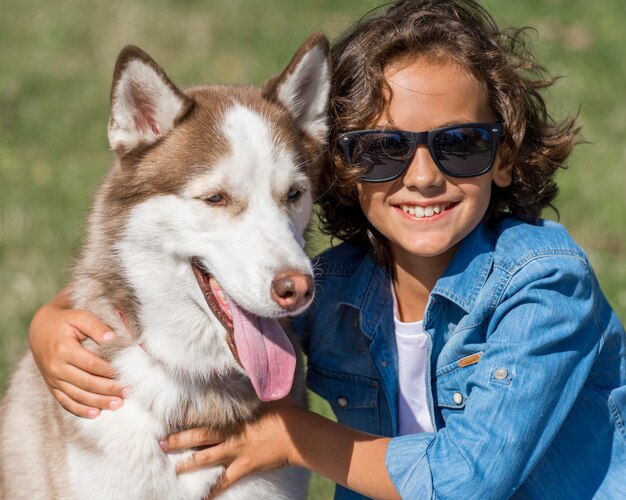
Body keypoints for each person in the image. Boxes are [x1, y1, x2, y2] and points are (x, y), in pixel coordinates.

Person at [28, 0, 626, 498]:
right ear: (345, 161)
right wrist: (52, 318)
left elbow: (469, 478)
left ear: (503, 155)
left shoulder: (546, 287)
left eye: (461, 143)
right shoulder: (340, 285)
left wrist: (294, 436)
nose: (422, 176)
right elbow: (165, 282)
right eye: (385, 149)